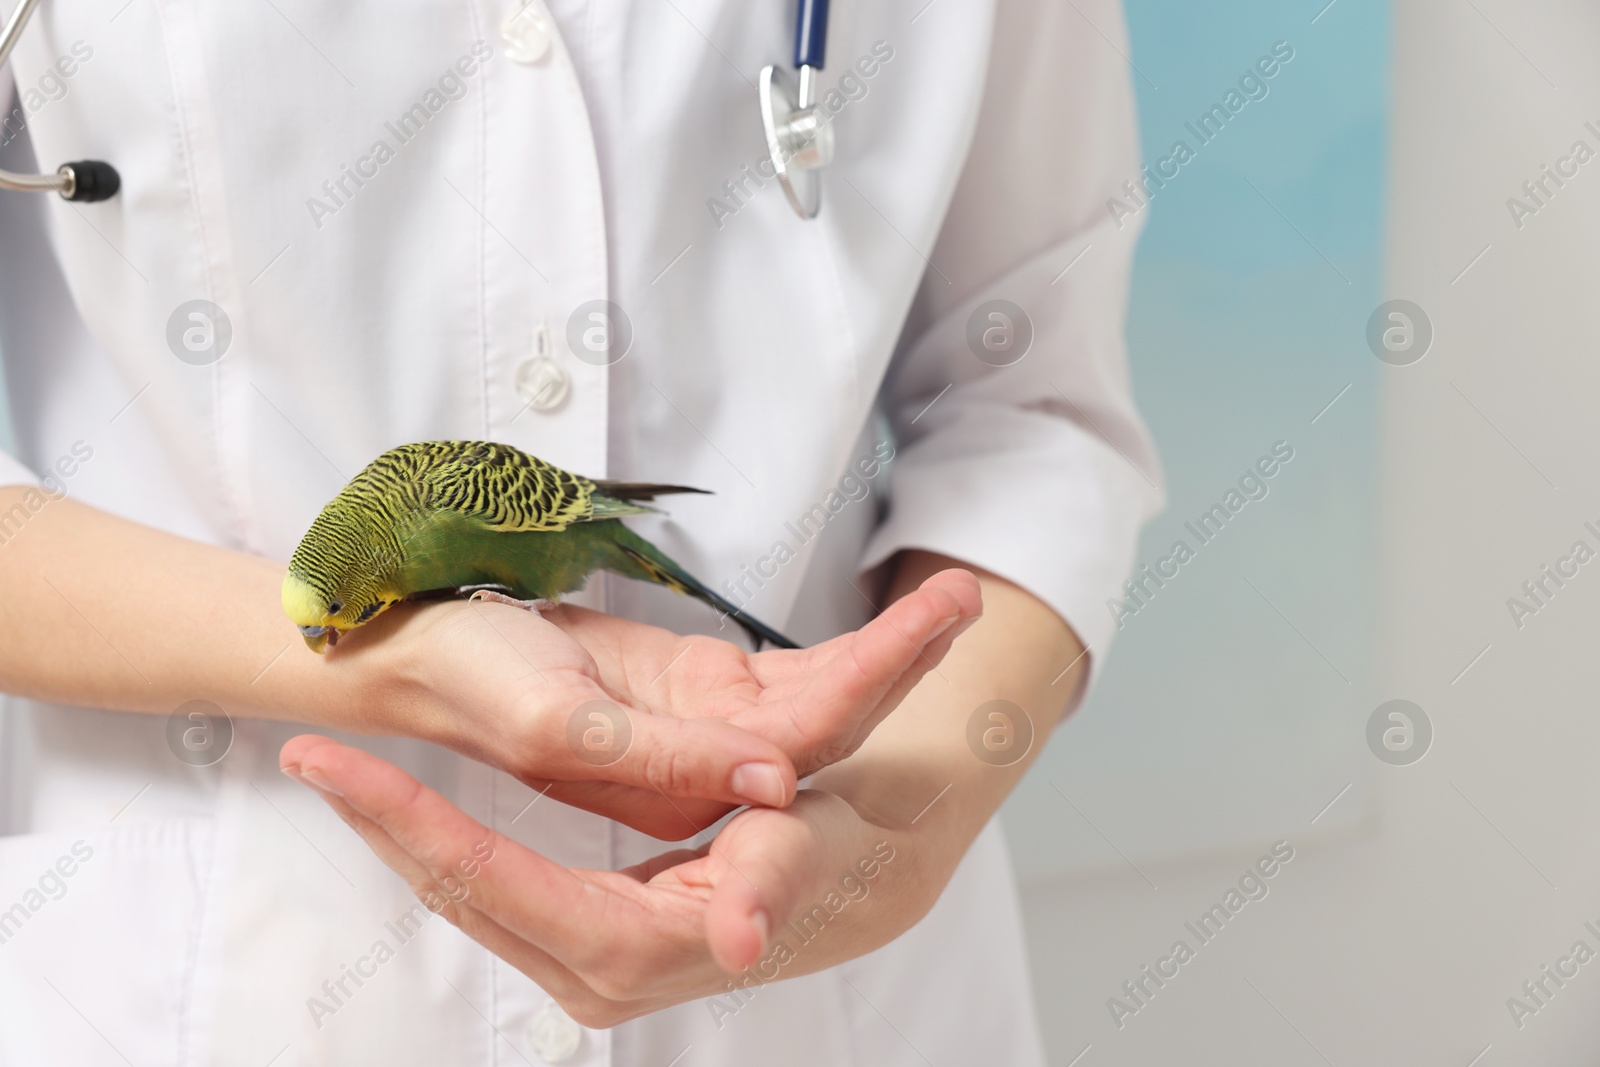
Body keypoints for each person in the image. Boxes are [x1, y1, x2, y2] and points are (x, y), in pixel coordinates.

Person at [0, 0, 1160, 1062]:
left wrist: (911, 798)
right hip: (227, 976)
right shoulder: (373, 561)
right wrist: (391, 663)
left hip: (817, 978)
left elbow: (1034, 409)